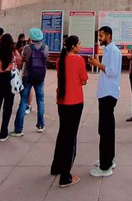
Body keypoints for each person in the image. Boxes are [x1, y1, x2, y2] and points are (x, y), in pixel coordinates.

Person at [50, 35, 88, 188]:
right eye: (79, 43)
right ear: (73, 46)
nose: (80, 45)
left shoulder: (60, 60)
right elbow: (84, 80)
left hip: (62, 101)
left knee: (63, 133)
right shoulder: (79, 60)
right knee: (70, 138)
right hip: (75, 101)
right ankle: (65, 176)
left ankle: (56, 166)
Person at [87, 26, 122, 177]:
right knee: (106, 129)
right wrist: (98, 64)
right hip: (105, 93)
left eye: (101, 36)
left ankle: (105, 166)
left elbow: (112, 71)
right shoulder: (108, 50)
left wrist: (97, 64)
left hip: (109, 94)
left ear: (108, 35)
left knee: (105, 130)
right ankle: (108, 159)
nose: (99, 39)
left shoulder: (113, 51)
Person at [12, 27, 48, 136]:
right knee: (40, 100)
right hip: (40, 76)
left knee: (23, 101)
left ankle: (18, 129)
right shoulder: (45, 47)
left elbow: (23, 60)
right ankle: (41, 125)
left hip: (27, 75)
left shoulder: (27, 48)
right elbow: (46, 60)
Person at [0, 32, 21, 142]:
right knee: (8, 107)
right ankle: (3, 133)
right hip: (10, 79)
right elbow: (19, 62)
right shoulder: (14, 53)